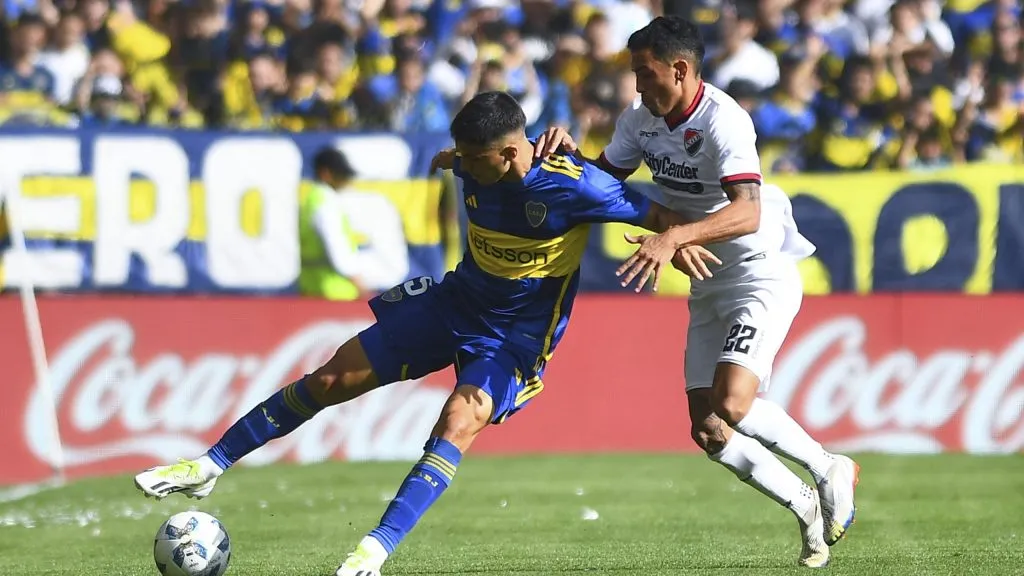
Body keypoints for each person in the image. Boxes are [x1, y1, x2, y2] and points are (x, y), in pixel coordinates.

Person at [133, 91, 719, 576]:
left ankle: (374, 549)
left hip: (512, 339)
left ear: (512, 154)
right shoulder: (476, 159)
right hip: (453, 302)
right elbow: (460, 158)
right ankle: (208, 465)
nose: (461, 164)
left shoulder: (578, 187)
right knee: (332, 377)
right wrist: (454, 159)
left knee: (459, 419)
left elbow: (664, 217)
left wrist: (669, 242)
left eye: (471, 157)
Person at [534, 15, 859, 569]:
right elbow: (604, 184)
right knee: (708, 428)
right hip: (708, 280)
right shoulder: (639, 120)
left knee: (732, 403)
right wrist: (567, 158)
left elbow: (748, 210)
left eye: (645, 73)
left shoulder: (723, 120)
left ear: (679, 69)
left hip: (759, 272)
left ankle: (830, 466)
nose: (638, 86)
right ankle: (803, 503)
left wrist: (674, 236)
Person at [299, 145, 409, 300]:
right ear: (326, 174)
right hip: (335, 293)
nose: (346, 181)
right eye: (342, 175)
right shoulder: (326, 205)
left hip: (312, 288)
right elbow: (339, 252)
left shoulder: (310, 200)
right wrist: (363, 290)